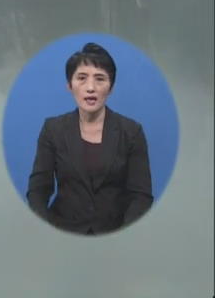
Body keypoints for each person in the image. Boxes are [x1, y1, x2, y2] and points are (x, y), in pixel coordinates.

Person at [25, 42, 153, 235]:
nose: (90, 87)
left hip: (115, 234)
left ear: (110, 87)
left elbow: (141, 196)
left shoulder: (131, 132)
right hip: (62, 232)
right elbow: (37, 191)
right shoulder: (52, 129)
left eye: (100, 79)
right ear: (69, 85)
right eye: (82, 78)